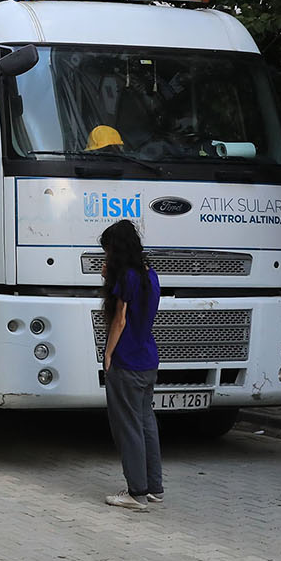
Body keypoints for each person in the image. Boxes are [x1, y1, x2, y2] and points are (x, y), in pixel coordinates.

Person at [100, 218, 163, 511]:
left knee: (128, 428)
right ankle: (154, 487)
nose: (106, 257)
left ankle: (135, 492)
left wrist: (108, 354)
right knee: (146, 423)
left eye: (107, 251)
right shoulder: (151, 276)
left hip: (126, 360)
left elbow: (120, 319)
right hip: (148, 358)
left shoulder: (126, 277)